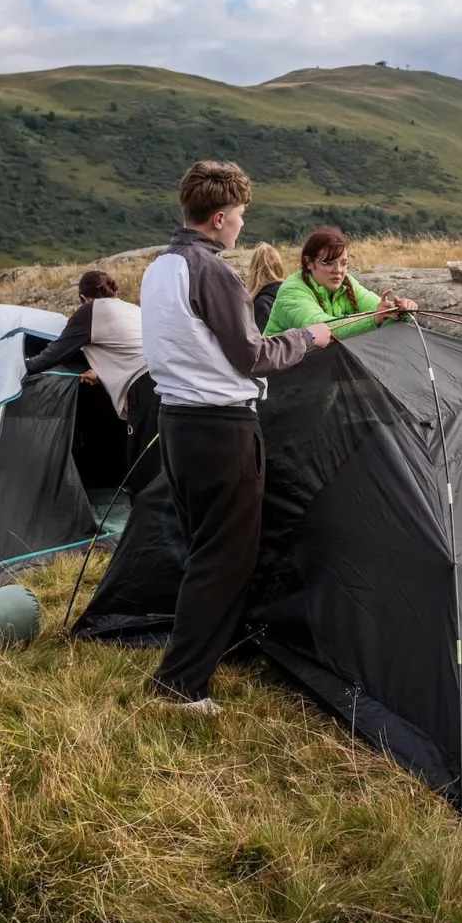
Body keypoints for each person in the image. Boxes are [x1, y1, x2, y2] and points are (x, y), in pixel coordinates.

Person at [139, 161, 333, 712]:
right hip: (222, 428)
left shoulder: (159, 269)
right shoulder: (215, 272)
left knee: (203, 549)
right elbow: (252, 355)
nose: (242, 226)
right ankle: (179, 685)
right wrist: (308, 338)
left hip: (175, 424)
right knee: (225, 558)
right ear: (220, 216)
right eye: (241, 216)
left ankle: (195, 662)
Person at [24, 269, 161, 492]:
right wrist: (100, 373)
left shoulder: (89, 312)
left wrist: (20, 366)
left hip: (144, 387)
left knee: (143, 461)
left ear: (83, 297)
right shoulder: (132, 309)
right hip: (164, 379)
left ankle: (147, 521)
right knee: (156, 456)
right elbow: (130, 348)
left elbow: (53, 354)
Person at [262, 226, 417, 340]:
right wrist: (373, 319)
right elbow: (321, 328)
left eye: (343, 263)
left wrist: (400, 312)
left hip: (321, 369)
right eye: (328, 263)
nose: (338, 270)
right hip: (280, 376)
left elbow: (380, 314)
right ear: (308, 263)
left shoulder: (348, 284)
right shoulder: (292, 291)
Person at [244, 243, 287, 333]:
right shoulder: (295, 295)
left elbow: (261, 345)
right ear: (279, 268)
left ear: (254, 271)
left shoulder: (262, 305)